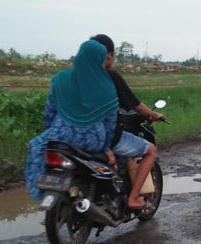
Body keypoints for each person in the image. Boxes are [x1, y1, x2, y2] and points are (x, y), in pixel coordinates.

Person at [25, 39, 119, 202]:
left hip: (61, 135)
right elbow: (110, 123)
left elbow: (49, 112)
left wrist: (52, 131)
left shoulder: (61, 80)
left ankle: (38, 193)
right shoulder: (105, 85)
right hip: (94, 140)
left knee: (35, 146)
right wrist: (106, 147)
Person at [89, 34, 161, 210]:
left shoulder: (73, 77)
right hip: (104, 136)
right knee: (150, 150)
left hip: (73, 136)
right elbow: (135, 104)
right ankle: (134, 198)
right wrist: (153, 114)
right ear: (109, 55)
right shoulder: (109, 76)